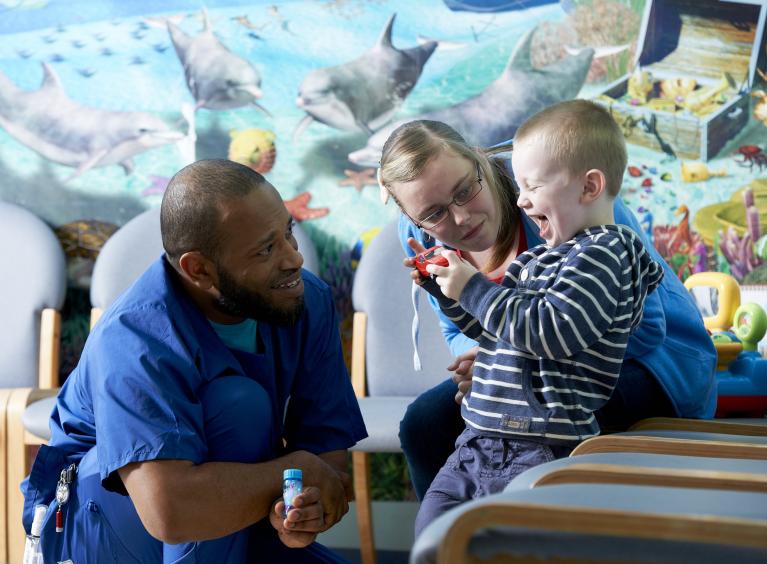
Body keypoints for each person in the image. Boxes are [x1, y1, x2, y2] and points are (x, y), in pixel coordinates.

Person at [22, 159, 367, 563]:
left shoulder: (306, 301)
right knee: (238, 405)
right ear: (198, 269)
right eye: (267, 249)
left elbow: (326, 462)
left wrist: (303, 510)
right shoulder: (133, 337)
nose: (294, 259)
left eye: (288, 234)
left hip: (227, 519)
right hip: (99, 529)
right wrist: (290, 471)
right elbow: (170, 511)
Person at [377, 115, 717, 501]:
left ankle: (543, 538)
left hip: (649, 363)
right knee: (424, 425)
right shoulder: (420, 238)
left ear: (478, 159)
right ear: (411, 218)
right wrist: (484, 359)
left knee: (539, 421)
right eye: (434, 214)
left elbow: (649, 330)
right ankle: (456, 542)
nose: (460, 217)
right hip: (530, 370)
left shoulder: (559, 192)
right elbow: (459, 331)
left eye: (464, 190)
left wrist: (511, 352)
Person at [404, 99, 664, 534]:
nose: (521, 200)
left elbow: (552, 332)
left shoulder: (606, 255)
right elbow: (492, 328)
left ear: (589, 187)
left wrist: (472, 287)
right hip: (479, 442)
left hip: (543, 441)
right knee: (434, 539)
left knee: (516, 546)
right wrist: (445, 290)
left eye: (532, 186)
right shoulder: (541, 259)